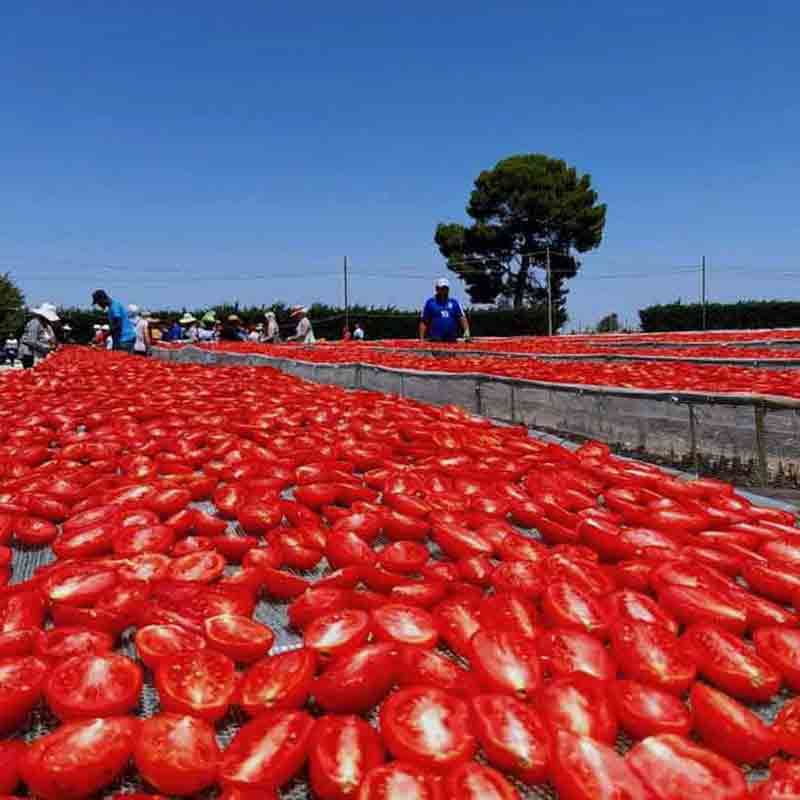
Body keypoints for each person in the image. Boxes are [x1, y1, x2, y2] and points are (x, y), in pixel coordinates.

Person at [419, 278, 470, 343]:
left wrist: (467, 333)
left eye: (446, 288)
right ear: (437, 289)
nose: (444, 290)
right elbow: (423, 321)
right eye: (442, 288)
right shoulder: (430, 303)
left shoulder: (454, 303)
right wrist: (421, 339)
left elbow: (462, 318)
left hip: (452, 340)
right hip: (435, 340)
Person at [19, 303, 59, 369]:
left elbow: (52, 339)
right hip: (30, 354)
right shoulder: (35, 323)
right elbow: (30, 340)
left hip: (41, 353)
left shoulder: (47, 326)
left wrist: (53, 345)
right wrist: (44, 349)